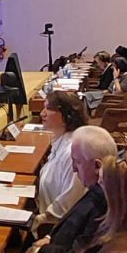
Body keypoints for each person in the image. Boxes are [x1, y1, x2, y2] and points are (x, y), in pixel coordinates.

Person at [25, 126, 119, 253]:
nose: (74, 169)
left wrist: (40, 251)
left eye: (78, 162)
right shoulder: (97, 190)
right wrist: (50, 237)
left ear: (97, 165)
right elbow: (70, 224)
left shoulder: (103, 204)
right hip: (53, 247)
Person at [35, 91, 89, 227]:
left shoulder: (72, 153)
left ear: (67, 115)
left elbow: (67, 205)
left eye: (48, 108)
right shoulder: (61, 141)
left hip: (53, 227)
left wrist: (35, 221)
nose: (42, 113)